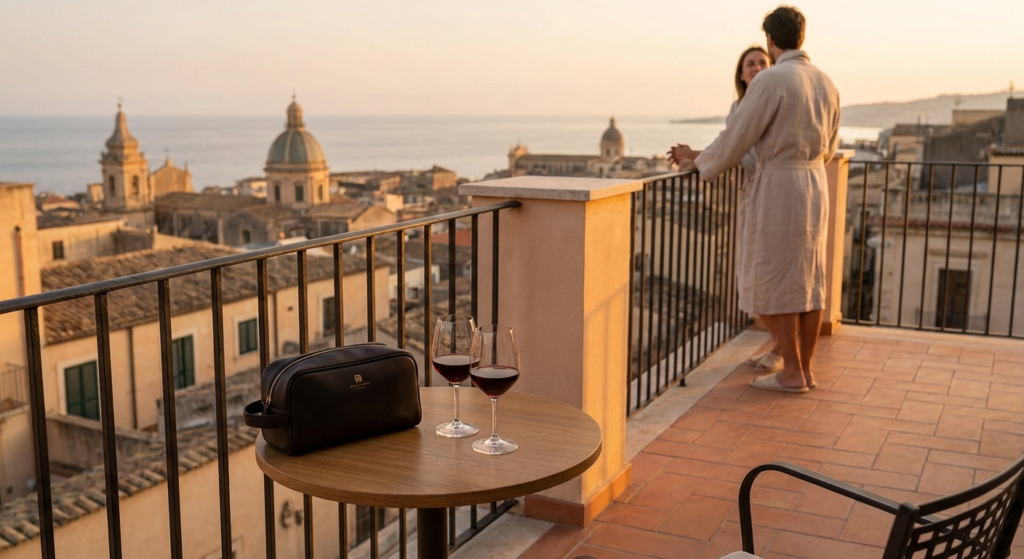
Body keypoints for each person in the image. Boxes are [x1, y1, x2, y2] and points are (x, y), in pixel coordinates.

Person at [672, 5, 841, 393]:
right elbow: (830, 148)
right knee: (809, 281)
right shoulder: (826, 82)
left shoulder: (770, 81)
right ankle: (806, 370)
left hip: (778, 189)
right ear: (801, 35)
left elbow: (736, 139)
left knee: (774, 279)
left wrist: (699, 162)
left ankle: (792, 372)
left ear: (770, 39)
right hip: (815, 185)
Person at [668, 46, 785, 375]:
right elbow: (732, 146)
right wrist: (696, 156)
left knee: (769, 276)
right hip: (753, 196)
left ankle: (781, 348)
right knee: (756, 277)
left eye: (763, 62)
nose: (757, 67)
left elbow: (736, 151)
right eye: (750, 64)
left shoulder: (767, 101)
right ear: (741, 74)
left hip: (768, 194)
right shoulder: (739, 106)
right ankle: (777, 345)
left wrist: (696, 159)